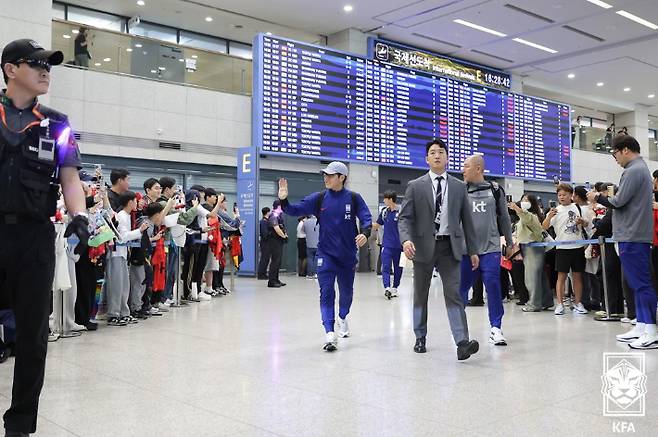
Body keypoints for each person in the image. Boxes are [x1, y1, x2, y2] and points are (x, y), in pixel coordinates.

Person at [0, 38, 88, 436]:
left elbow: (70, 179)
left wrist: (81, 216)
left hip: (35, 240)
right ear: (10, 69)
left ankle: (19, 425)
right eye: (35, 64)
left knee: (34, 336)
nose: (45, 71)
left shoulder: (58, 123)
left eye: (48, 66)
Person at [398, 139, 480, 360]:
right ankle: (420, 336)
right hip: (422, 247)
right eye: (432, 153)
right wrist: (406, 241)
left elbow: (467, 221)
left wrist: (472, 250)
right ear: (427, 158)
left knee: (454, 294)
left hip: (449, 247)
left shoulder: (458, 186)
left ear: (446, 157)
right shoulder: (415, 186)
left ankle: (462, 342)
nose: (437, 156)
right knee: (420, 294)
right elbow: (404, 218)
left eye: (441, 152)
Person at [277, 161, 371, 351]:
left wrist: (365, 233)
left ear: (341, 178)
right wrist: (284, 200)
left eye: (330, 175)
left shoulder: (353, 198)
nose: (325, 178)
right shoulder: (319, 198)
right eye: (324, 175)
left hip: (347, 256)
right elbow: (294, 210)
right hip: (325, 254)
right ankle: (329, 333)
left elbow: (366, 217)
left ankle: (343, 317)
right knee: (326, 292)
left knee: (346, 294)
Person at [588, 135, 658, 349]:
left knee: (641, 283)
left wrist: (596, 198)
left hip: (633, 234)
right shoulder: (639, 169)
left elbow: (617, 202)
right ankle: (642, 325)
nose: (615, 158)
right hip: (631, 233)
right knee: (636, 283)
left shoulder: (634, 170)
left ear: (625, 149)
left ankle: (651, 330)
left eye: (615, 153)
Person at [459, 155, 513, 346]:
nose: (462, 170)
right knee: (462, 289)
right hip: (466, 250)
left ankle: (496, 328)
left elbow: (505, 218)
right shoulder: (460, 190)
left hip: (490, 248)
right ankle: (459, 330)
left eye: (466, 166)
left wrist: (509, 240)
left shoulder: (495, 190)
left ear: (478, 169)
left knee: (492, 284)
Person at [542, 183, 588, 316]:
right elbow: (543, 227)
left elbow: (586, 223)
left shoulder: (578, 207)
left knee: (577, 276)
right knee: (561, 277)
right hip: (562, 247)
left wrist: (582, 222)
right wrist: (549, 216)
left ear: (571, 195)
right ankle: (560, 304)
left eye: (564, 195)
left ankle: (578, 303)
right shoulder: (555, 210)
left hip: (578, 247)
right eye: (559, 195)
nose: (562, 197)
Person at [509, 195, 553, 312]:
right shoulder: (526, 215)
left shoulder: (530, 215)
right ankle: (545, 301)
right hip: (529, 247)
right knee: (540, 276)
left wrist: (517, 209)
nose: (524, 202)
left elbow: (526, 218)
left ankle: (534, 304)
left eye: (527, 200)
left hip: (532, 247)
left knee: (531, 277)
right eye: (523, 200)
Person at [373, 190, 403, 299]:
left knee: (398, 268)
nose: (384, 200)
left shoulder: (401, 212)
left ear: (390, 199)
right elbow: (377, 224)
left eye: (385, 198)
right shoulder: (384, 212)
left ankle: (395, 287)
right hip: (386, 245)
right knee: (385, 266)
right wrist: (366, 224)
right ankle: (387, 288)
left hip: (399, 246)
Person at [267, 199, 288, 288]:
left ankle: (276, 279)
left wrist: (285, 234)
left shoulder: (279, 216)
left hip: (278, 241)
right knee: (275, 261)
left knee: (278, 261)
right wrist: (284, 236)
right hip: (274, 241)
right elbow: (276, 228)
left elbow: (281, 227)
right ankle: (272, 281)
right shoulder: (273, 216)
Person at [303, 215, 319, 279]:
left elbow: (303, 231)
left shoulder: (306, 222)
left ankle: (309, 274)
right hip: (318, 243)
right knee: (316, 259)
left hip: (309, 243)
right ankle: (316, 273)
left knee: (310, 258)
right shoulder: (320, 221)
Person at [257, 207, 271, 280]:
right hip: (265, 242)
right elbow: (265, 233)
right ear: (267, 212)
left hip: (265, 242)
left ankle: (264, 273)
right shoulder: (264, 221)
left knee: (266, 258)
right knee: (264, 258)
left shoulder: (265, 221)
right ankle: (261, 274)